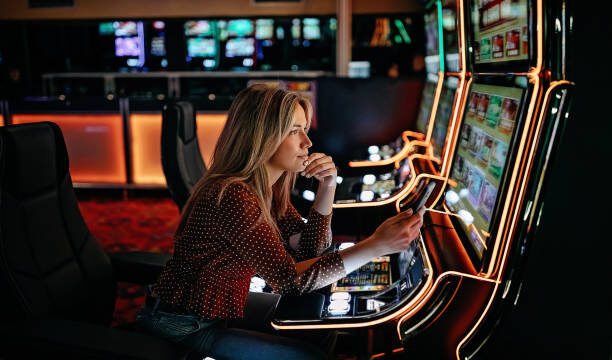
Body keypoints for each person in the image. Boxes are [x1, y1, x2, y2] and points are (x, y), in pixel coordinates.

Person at [136, 84, 425, 359]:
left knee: (318, 326)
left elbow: (311, 249)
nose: (308, 143)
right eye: (295, 131)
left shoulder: (268, 188)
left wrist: (327, 188)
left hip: (222, 308)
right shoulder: (233, 196)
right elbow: (290, 280)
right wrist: (376, 246)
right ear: (263, 138)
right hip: (184, 324)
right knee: (307, 355)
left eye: (305, 130)